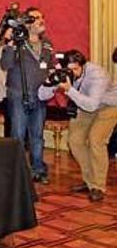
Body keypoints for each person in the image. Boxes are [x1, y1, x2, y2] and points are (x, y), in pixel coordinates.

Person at [38, 50, 117, 201]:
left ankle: (98, 186)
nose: (72, 73)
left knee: (96, 140)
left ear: (83, 66)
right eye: (70, 69)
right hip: (84, 103)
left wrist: (69, 90)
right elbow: (42, 96)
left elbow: (92, 105)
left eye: (76, 69)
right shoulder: (62, 72)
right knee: (74, 141)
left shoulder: (97, 74)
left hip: (109, 105)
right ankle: (89, 182)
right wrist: (49, 82)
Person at [0, 7, 53, 184]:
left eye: (42, 17)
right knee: (18, 135)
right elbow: (5, 65)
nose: (41, 20)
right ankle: (18, 172)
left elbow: (52, 66)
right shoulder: (18, 43)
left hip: (40, 96)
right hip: (18, 95)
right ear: (28, 23)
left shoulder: (47, 45)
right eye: (37, 18)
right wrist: (9, 43)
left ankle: (38, 169)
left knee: (37, 135)